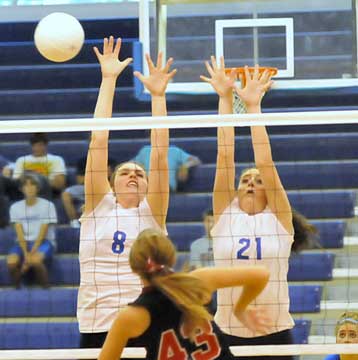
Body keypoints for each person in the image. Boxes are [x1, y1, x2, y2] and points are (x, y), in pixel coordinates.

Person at [201, 59, 316, 359]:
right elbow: (224, 156)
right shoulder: (226, 216)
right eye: (245, 179)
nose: (251, 182)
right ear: (236, 189)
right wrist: (224, 98)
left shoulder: (279, 219)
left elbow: (265, 162)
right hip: (226, 334)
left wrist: (254, 108)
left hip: (275, 333)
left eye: (258, 180)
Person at [77, 36, 176, 349]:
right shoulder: (98, 207)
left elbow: (159, 154)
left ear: (147, 185)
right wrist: (108, 80)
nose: (134, 174)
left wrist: (157, 96)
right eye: (125, 172)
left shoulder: (152, 212)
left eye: (140, 173)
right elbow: (98, 142)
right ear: (111, 182)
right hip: (98, 322)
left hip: (144, 321)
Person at [98, 228, 270, 360]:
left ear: (134, 267)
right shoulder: (199, 281)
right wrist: (240, 310)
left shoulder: (131, 316)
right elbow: (262, 274)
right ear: (171, 257)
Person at [6, 174, 57, 288]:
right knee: (11, 262)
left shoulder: (48, 205)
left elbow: (43, 232)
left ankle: (46, 289)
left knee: (35, 261)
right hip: (23, 243)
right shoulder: (15, 207)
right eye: (26, 185)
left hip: (44, 242)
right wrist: (25, 254)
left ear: (38, 188)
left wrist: (30, 256)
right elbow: (19, 233)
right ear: (21, 189)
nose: (29, 188)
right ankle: (17, 289)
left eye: (32, 184)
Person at [61, 157, 116, 228]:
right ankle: (75, 222)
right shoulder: (85, 160)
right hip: (87, 187)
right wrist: (98, 176)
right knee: (66, 194)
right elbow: (80, 180)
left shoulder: (109, 160)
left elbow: (114, 177)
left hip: (108, 187)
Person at [12, 132, 66, 197]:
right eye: (35, 145)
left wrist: (38, 177)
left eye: (40, 145)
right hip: (25, 190)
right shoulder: (21, 160)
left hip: (47, 190)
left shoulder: (57, 160)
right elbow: (16, 182)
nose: (37, 148)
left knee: (36, 180)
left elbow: (60, 184)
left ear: (46, 145)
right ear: (32, 146)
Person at [133, 144, 201, 192]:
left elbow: (195, 160)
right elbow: (128, 164)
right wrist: (138, 167)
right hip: (148, 189)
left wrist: (185, 166)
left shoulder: (174, 150)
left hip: (167, 189)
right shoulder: (145, 150)